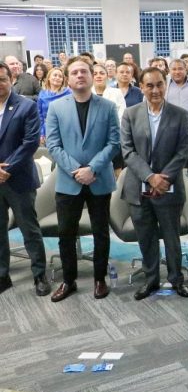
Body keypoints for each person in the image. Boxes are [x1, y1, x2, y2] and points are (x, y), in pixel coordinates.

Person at [46, 60, 120, 302]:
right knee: (66, 233)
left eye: (84, 71)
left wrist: (92, 168)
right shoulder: (56, 107)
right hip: (69, 181)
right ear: (68, 79)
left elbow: (114, 143)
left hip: (99, 179)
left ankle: (100, 279)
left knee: (101, 232)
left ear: (92, 76)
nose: (80, 75)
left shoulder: (108, 107)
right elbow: (53, 145)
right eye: (75, 72)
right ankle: (69, 280)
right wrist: (77, 170)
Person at [121, 67, 188, 300]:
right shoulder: (130, 114)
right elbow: (128, 151)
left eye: (159, 84)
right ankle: (150, 280)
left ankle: (176, 280)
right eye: (149, 85)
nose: (155, 90)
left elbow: (183, 151)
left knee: (172, 238)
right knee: (146, 237)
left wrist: (163, 178)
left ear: (165, 84)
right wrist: (150, 177)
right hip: (139, 188)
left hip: (169, 187)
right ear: (141, 87)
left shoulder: (180, 115)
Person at [0, 63, 50, 297]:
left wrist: (6, 169)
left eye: (2, 79)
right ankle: (3, 275)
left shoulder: (26, 106)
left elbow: (30, 142)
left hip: (19, 179)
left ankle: (39, 275)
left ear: (12, 79)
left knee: (29, 230)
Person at [37, 68, 70, 145]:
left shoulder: (68, 93)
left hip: (64, 129)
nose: (57, 78)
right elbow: (39, 115)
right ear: (49, 78)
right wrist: (42, 133)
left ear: (63, 80)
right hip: (48, 129)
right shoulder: (42, 94)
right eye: (55, 75)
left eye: (60, 76)